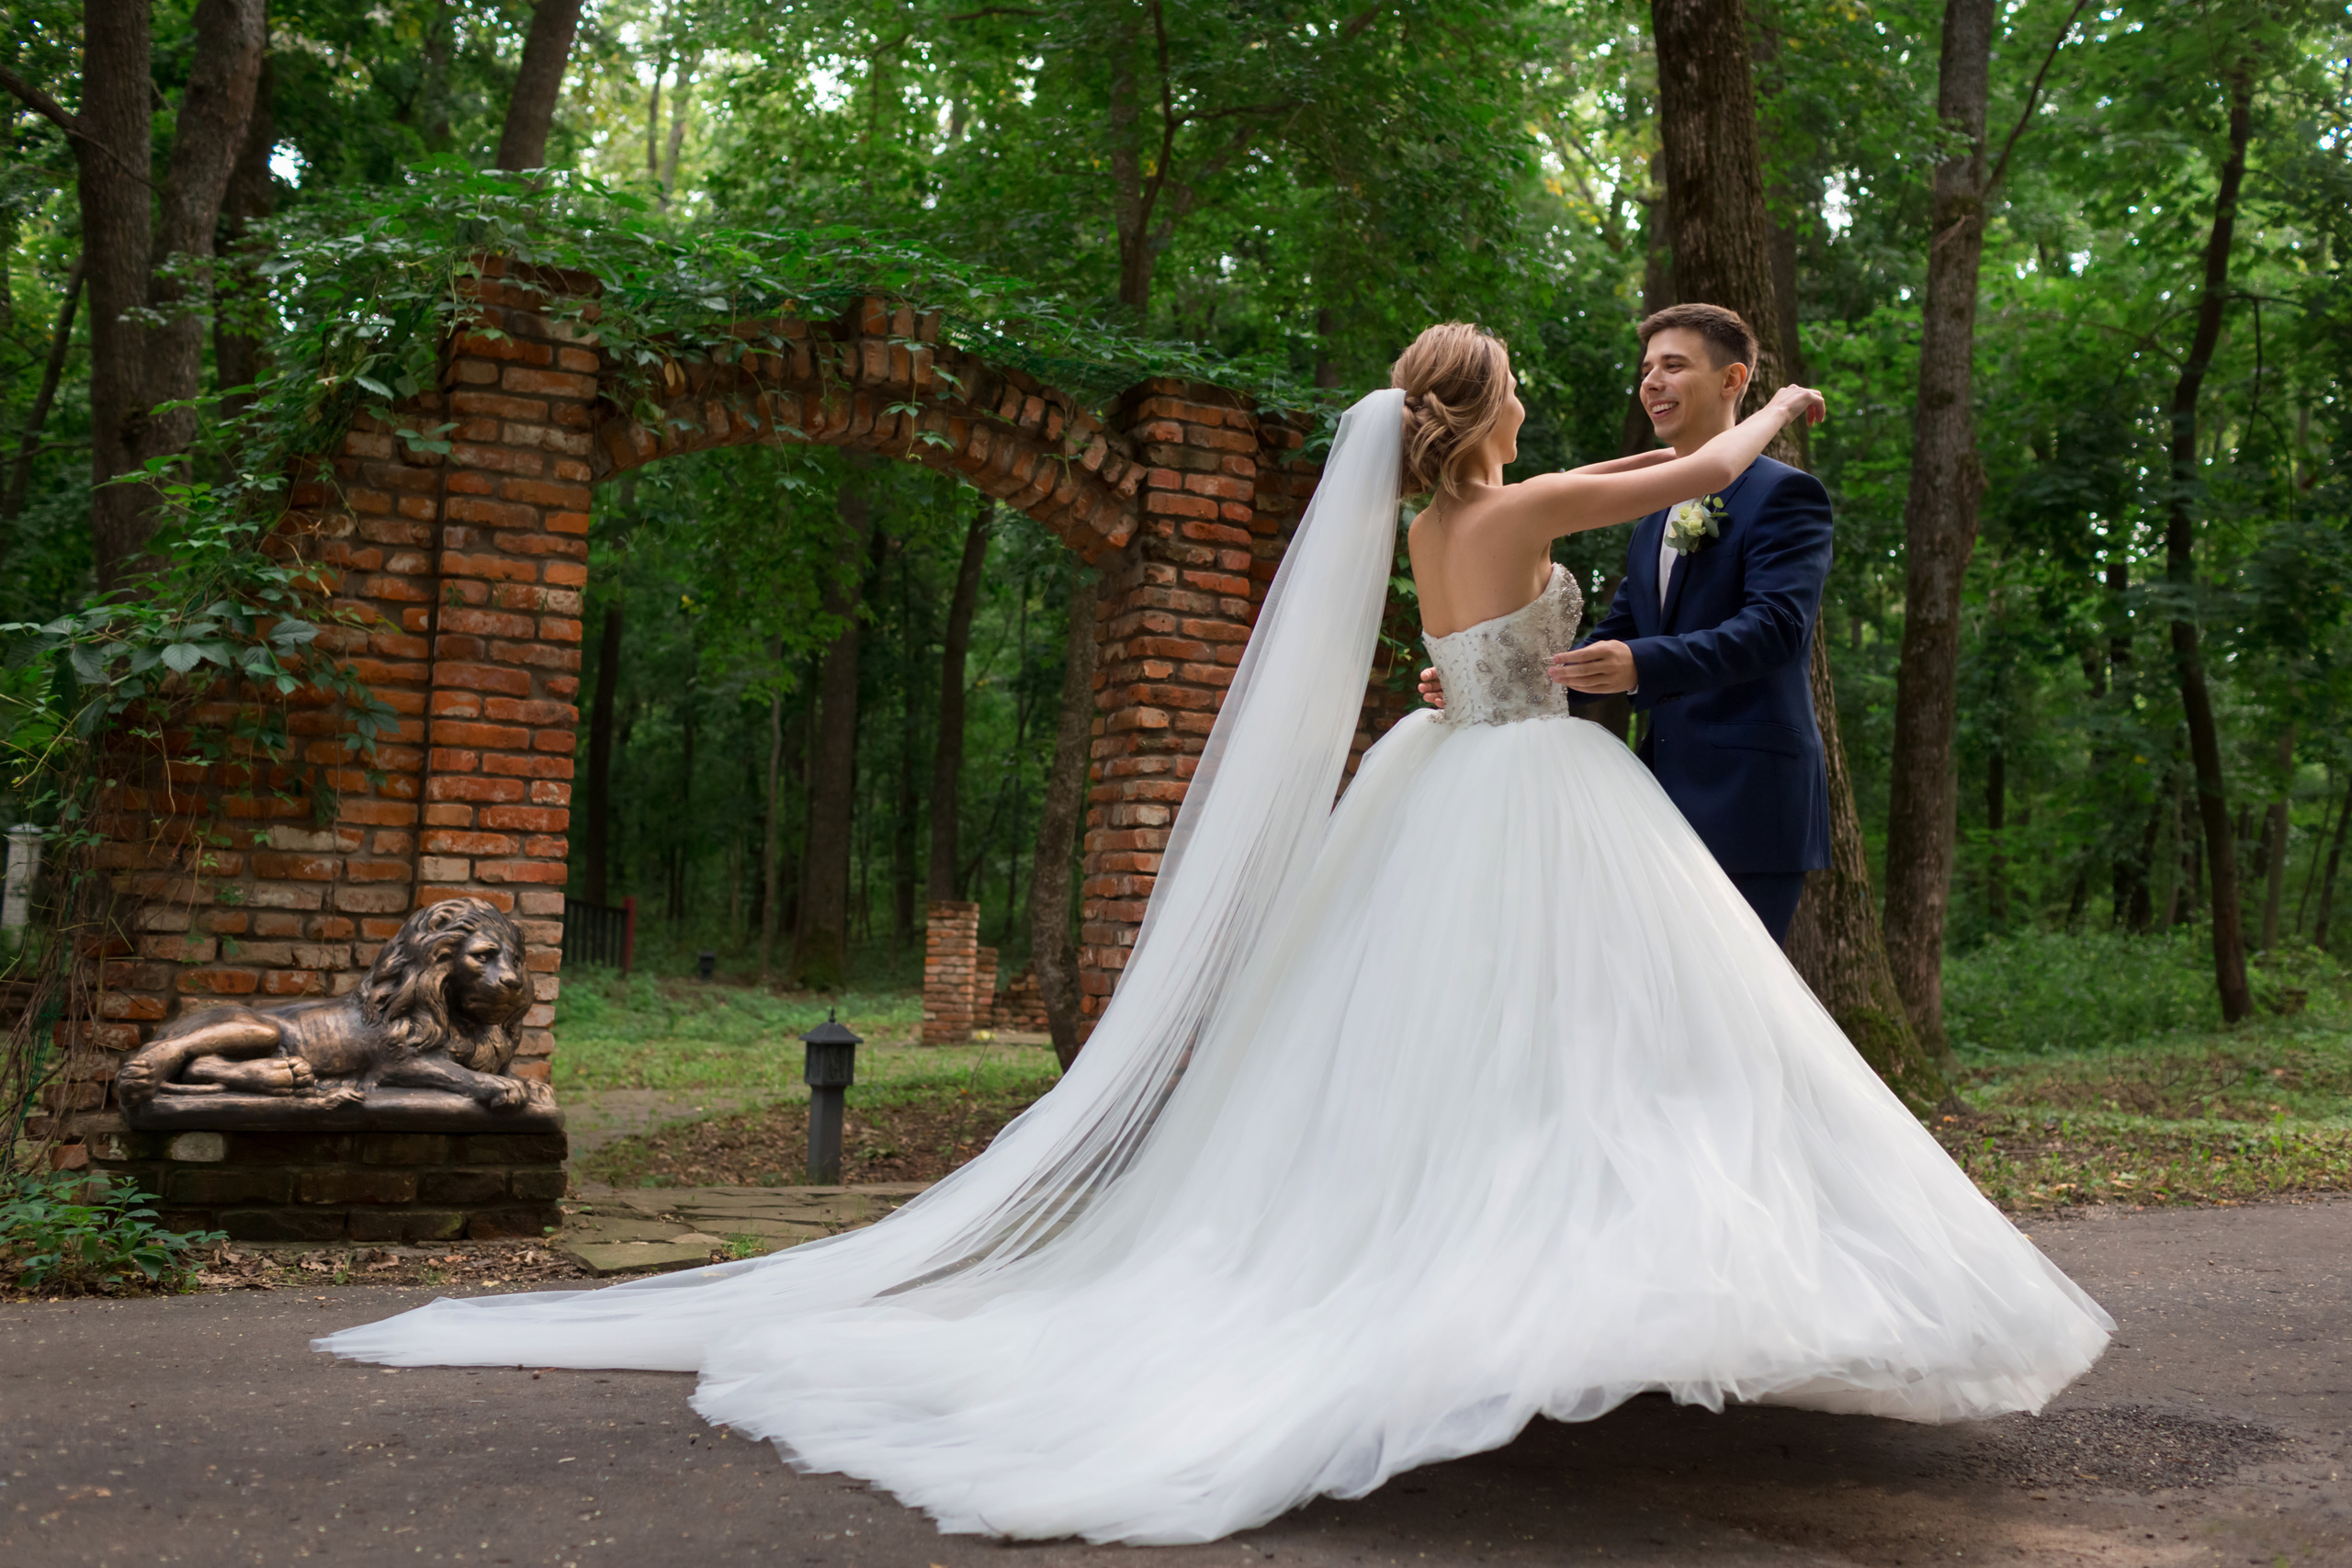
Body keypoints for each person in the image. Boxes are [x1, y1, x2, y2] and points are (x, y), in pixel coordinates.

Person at [318, 324, 2111, 1547]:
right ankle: (1521, 1305)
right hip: (1530, 793)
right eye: (1525, 390)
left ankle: (1493, 1291)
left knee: (1423, 1066)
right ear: (1484, 416)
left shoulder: (1426, 519)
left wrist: (1501, 651)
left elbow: (1459, 649)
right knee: (1577, 1052)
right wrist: (1783, 407)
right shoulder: (1528, 502)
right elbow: (1704, 460)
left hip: (1438, 773)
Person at [1419, 302, 1828, 945]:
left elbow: (1777, 628)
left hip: (1750, 801)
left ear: (1733, 379)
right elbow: (1622, 628)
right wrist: (1495, 673)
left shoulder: (1785, 495)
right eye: (1647, 368)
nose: (1652, 381)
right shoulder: (1647, 521)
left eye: (1673, 365)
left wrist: (1495, 672)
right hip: (1653, 801)